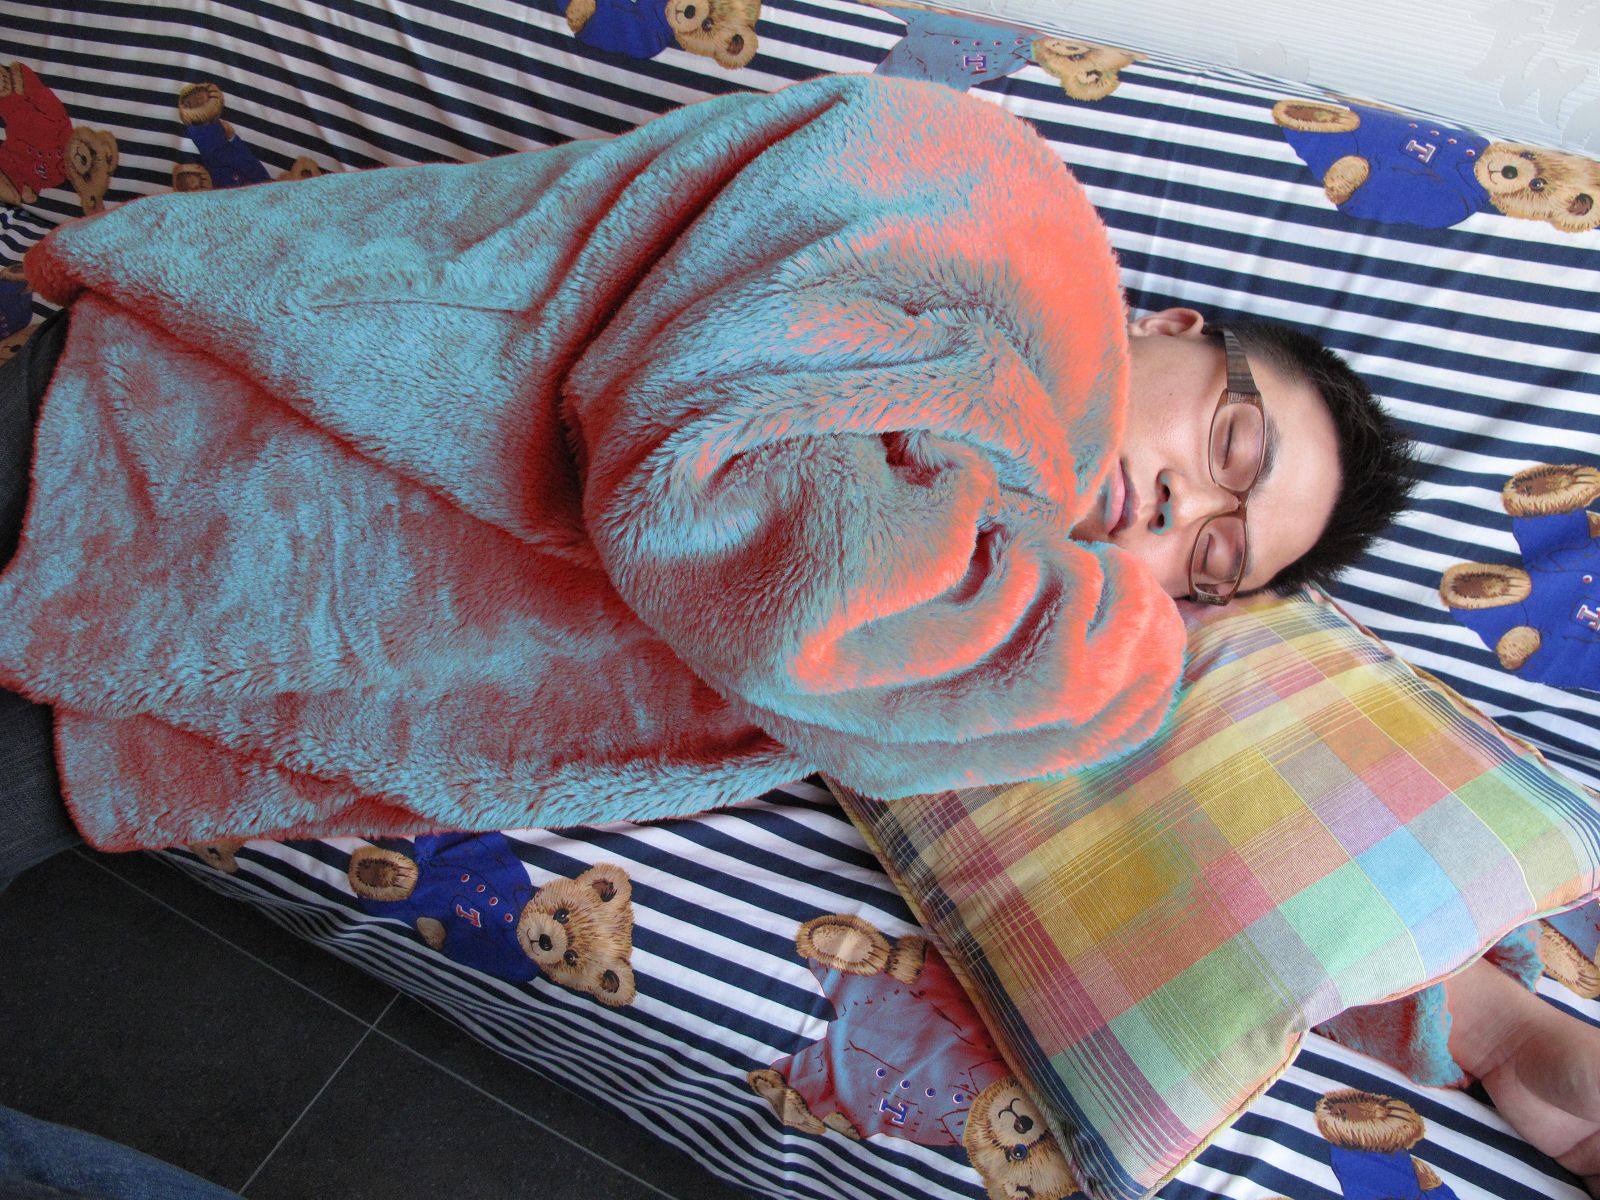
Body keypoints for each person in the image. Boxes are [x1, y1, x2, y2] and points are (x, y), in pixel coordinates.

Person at [0, 70, 1592, 1193]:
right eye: (1227, 446)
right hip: (139, 464)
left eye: (1214, 554)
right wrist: (1126, 638)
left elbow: (1196, 821)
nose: (1177, 509)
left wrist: (1497, 1025)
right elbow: (734, 509)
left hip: (151, 691)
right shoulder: (990, 202)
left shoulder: (995, 574)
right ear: (1173, 330)